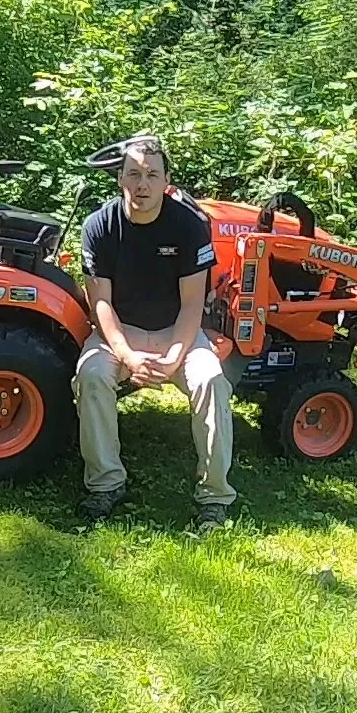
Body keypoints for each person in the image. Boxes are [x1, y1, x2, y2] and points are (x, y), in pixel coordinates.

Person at [73, 135, 237, 529]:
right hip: (119, 334)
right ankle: (106, 484)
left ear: (167, 181)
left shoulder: (189, 226)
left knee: (212, 380)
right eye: (133, 174)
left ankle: (214, 496)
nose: (142, 185)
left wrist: (173, 357)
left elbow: (193, 304)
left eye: (151, 175)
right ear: (120, 180)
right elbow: (101, 305)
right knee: (92, 376)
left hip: (176, 331)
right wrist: (128, 357)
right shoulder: (98, 226)